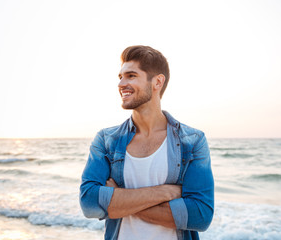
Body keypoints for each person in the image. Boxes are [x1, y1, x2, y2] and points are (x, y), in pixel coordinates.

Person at [80, 45, 214, 240]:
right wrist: (165, 192)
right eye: (120, 77)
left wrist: (118, 201)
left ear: (157, 82)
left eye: (131, 76)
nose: (121, 84)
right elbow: (89, 204)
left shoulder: (192, 141)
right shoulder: (107, 140)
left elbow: (200, 216)